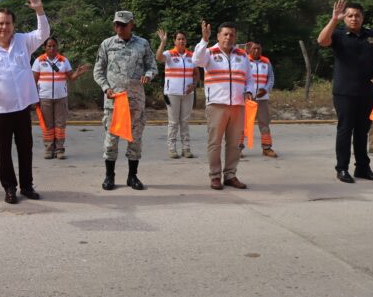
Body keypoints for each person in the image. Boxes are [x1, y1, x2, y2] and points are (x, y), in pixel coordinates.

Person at [0, 0, 48, 204]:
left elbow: (43, 34)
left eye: (7, 23)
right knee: (3, 152)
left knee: (26, 149)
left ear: (13, 26)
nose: (4, 27)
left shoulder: (23, 41)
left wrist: (39, 10)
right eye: (0, 23)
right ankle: (9, 188)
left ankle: (27, 186)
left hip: (22, 107)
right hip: (0, 109)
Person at [93, 11, 157, 191]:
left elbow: (152, 67)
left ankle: (132, 176)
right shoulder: (107, 44)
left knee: (135, 139)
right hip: (114, 101)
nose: (118, 28)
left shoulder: (143, 44)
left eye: (122, 24)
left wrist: (148, 75)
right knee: (111, 139)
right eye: (116, 24)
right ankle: (109, 176)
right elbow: (98, 71)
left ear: (131, 25)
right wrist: (106, 88)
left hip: (135, 101)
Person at [317, 0, 373, 183]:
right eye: (350, 15)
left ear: (362, 17)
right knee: (345, 130)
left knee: (362, 131)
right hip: (344, 92)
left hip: (366, 91)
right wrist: (334, 20)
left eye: (357, 15)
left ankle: (362, 168)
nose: (354, 19)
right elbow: (321, 41)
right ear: (345, 18)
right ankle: (342, 168)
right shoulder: (337, 35)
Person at [192, 21, 254, 190]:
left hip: (238, 105)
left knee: (234, 144)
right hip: (216, 105)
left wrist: (249, 91)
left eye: (231, 34)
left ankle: (230, 175)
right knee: (215, 143)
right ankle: (215, 176)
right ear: (218, 36)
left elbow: (249, 78)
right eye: (225, 34)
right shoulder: (209, 53)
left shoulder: (242, 55)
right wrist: (204, 40)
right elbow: (197, 60)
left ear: (235, 36)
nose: (228, 37)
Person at [31, 36, 89, 159]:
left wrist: (77, 73)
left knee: (60, 124)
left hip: (61, 98)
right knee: (48, 125)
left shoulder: (63, 61)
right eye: (49, 46)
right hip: (44, 98)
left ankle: (60, 150)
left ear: (57, 47)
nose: (52, 48)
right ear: (45, 47)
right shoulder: (39, 61)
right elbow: (33, 81)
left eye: (54, 46)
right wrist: (33, 97)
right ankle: (48, 149)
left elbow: (71, 77)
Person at [156, 29, 199, 159]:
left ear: (186, 41)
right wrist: (163, 42)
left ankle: (186, 149)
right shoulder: (169, 54)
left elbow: (197, 73)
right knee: (173, 122)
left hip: (188, 93)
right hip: (172, 93)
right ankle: (172, 149)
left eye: (183, 39)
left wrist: (194, 84)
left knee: (185, 122)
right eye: (178, 39)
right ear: (174, 41)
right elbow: (158, 58)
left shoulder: (192, 56)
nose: (181, 41)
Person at [244, 41, 277, 158]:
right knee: (243, 124)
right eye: (254, 49)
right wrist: (246, 92)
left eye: (258, 49)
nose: (256, 51)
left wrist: (266, 89)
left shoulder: (266, 61)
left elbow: (271, 78)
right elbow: (241, 78)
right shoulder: (245, 61)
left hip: (262, 98)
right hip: (247, 99)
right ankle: (237, 149)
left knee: (264, 124)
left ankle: (267, 148)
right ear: (249, 50)